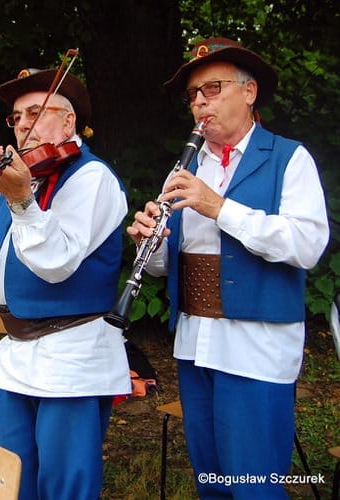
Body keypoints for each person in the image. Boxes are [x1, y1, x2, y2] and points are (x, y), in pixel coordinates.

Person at [127, 37, 329, 498]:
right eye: (193, 95)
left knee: (255, 486)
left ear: (250, 92)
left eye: (212, 88)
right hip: (195, 344)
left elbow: (308, 244)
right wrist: (149, 241)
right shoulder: (185, 166)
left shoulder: (289, 158)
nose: (199, 101)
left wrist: (220, 207)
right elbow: (162, 267)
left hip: (254, 348)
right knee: (212, 482)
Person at [0, 67, 130, 499]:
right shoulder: (21, 173)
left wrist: (22, 198)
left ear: (69, 121)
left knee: (65, 484)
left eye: (35, 111)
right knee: (14, 477)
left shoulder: (91, 178)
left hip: (72, 352)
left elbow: (56, 262)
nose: (23, 122)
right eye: (16, 117)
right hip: (18, 351)